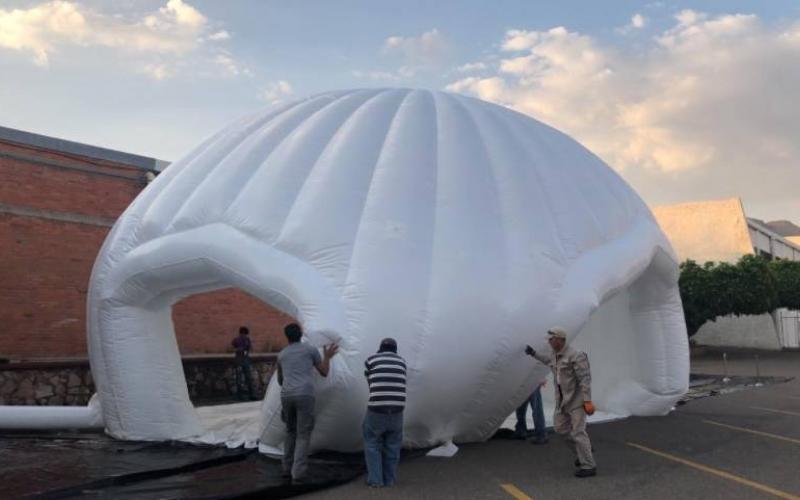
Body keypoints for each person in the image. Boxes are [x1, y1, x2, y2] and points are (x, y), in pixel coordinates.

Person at [525, 327, 597, 477]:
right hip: (562, 401)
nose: (549, 342)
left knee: (578, 432)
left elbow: (585, 379)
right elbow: (547, 360)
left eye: (551, 340)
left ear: (559, 340)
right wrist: (533, 354)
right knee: (560, 429)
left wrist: (587, 400)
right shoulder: (555, 355)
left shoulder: (576, 356)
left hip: (576, 401)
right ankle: (583, 452)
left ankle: (588, 465)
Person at [276, 323, 339, 484]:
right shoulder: (310, 350)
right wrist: (327, 357)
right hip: (304, 394)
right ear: (301, 334)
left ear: (286, 336)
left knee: (290, 432)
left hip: (286, 396)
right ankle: (298, 473)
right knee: (303, 434)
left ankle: (285, 469)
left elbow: (280, 380)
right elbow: (324, 372)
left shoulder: (282, 355)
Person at [363, 338, 407, 488]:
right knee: (393, 445)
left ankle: (376, 481)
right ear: (395, 350)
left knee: (372, 443)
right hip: (397, 410)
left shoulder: (371, 359)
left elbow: (370, 380)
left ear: (380, 349)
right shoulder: (402, 362)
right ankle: (390, 480)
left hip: (377, 409)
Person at [231, 326, 255, 400]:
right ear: (242, 333)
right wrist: (239, 349)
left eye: (245, 334)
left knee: (248, 378)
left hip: (244, 359)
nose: (244, 335)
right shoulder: (236, 340)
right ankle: (240, 396)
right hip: (240, 360)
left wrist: (246, 349)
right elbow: (233, 348)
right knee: (240, 379)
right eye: (244, 334)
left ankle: (250, 395)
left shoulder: (247, 339)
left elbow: (250, 348)